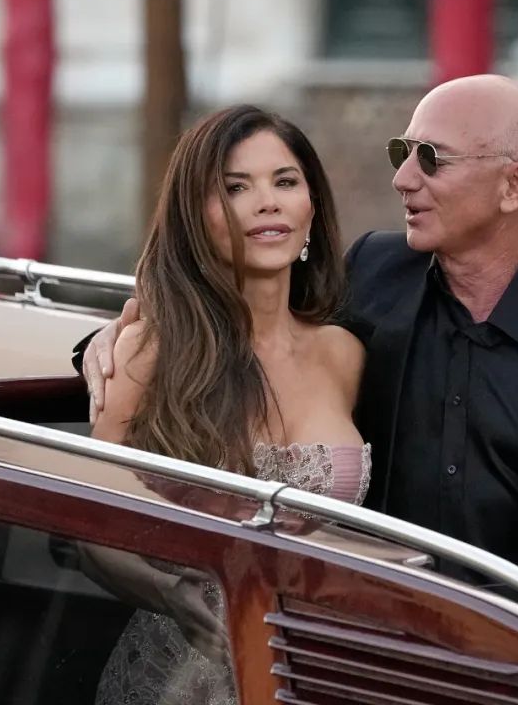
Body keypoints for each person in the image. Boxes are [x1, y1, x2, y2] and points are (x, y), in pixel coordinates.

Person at [82, 75, 518, 670]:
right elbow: (242, 333)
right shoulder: (375, 274)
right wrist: (108, 341)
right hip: (359, 653)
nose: (402, 178)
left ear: (515, 185)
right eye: (402, 153)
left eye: (431, 158)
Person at [77, 104, 368, 705]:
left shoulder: (345, 353)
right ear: (196, 215)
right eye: (236, 188)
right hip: (178, 678)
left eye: (285, 182)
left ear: (312, 206)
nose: (267, 203)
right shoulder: (147, 352)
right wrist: (166, 593)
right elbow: (90, 532)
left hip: (312, 673)